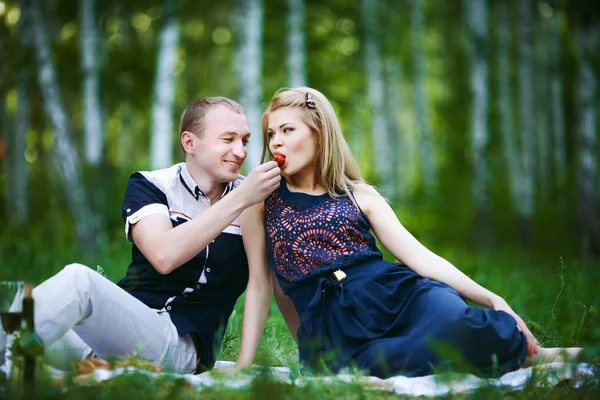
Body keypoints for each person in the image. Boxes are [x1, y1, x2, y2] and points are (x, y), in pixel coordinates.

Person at [238, 87, 584, 378]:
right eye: (271, 134)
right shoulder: (261, 203)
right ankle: (534, 356)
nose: (276, 143)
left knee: (456, 325)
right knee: (375, 368)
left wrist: (495, 299)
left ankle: (550, 354)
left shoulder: (359, 195)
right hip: (337, 328)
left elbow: (420, 258)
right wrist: (248, 364)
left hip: (397, 296)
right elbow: (261, 285)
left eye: (287, 130)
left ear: (319, 133)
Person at [4, 97, 280, 374]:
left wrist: (243, 368)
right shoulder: (152, 185)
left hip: (178, 347)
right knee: (13, 305)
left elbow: (261, 283)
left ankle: (12, 365)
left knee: (80, 281)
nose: (240, 151)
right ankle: (55, 369)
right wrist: (240, 198)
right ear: (189, 142)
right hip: (114, 333)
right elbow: (163, 255)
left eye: (244, 141)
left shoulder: (251, 199)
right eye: (228, 139)